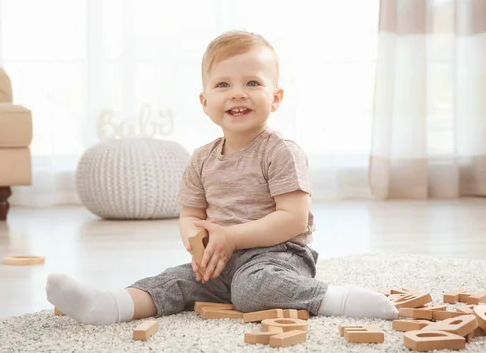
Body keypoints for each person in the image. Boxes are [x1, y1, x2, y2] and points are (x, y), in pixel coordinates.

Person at [45, 30, 399, 325]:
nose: (237, 93)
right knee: (174, 280)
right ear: (204, 101)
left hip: (277, 255)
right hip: (220, 256)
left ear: (275, 98)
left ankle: (336, 298)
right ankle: (109, 306)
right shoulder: (201, 158)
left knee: (252, 291)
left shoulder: (280, 151)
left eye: (252, 82)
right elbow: (190, 214)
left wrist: (232, 236)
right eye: (223, 84)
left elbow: (293, 219)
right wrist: (197, 242)